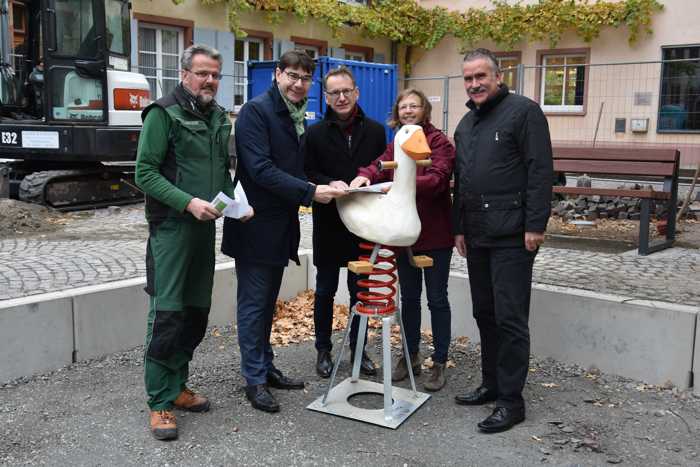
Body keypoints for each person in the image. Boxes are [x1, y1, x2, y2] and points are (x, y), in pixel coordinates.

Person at [135, 44, 251, 440]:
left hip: (205, 228)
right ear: (184, 74)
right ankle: (160, 402)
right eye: (202, 73)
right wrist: (188, 203)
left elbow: (222, 172)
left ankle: (177, 385)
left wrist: (236, 204)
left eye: (216, 75)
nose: (210, 81)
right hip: (171, 229)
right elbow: (145, 173)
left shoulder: (217, 116)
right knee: (167, 313)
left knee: (195, 311)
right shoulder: (162, 113)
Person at [221, 51, 344, 413]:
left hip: (280, 225)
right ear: (277, 74)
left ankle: (266, 366)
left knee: (266, 304)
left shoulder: (296, 116)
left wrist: (324, 181)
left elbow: (297, 166)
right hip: (255, 224)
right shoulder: (256, 112)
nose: (298, 83)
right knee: (254, 305)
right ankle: (255, 380)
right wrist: (311, 192)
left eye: (305, 78)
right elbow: (260, 169)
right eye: (292, 75)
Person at [451, 48, 553, 433]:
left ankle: (511, 401)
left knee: (510, 317)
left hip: (513, 234)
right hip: (476, 234)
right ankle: (491, 384)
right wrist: (458, 227)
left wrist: (535, 223)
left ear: (498, 75)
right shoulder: (465, 125)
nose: (474, 84)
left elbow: (540, 169)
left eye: (481, 76)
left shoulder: (524, 112)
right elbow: (461, 182)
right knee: (485, 313)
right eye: (468, 78)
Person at [350, 88, 455, 391]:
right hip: (402, 233)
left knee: (437, 299)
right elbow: (380, 164)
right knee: (408, 298)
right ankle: (410, 356)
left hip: (434, 233)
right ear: (397, 113)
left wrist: (399, 184)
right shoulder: (397, 141)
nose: (408, 111)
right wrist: (364, 176)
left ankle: (439, 361)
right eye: (403, 107)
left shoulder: (438, 142)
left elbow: (437, 178)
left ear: (425, 110)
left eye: (414, 106)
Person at [304, 66, 386, 379]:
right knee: (324, 290)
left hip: (363, 223)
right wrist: (330, 182)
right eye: (334, 92)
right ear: (325, 97)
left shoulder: (376, 131)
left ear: (356, 93)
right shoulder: (314, 133)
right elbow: (307, 172)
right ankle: (322, 349)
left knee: (360, 291)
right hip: (328, 221)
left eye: (346, 91)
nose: (341, 97)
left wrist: (368, 179)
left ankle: (358, 348)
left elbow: (382, 170)